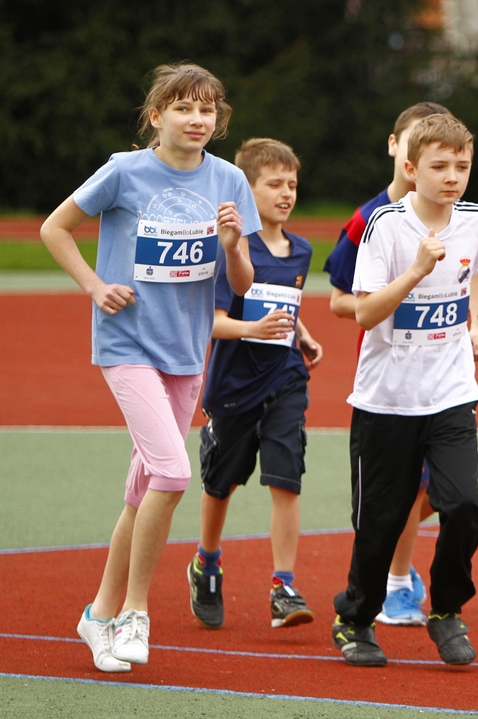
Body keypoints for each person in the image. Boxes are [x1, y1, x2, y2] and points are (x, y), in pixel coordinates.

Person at [40, 63, 260, 671]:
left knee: (143, 493)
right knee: (172, 473)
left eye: (207, 109)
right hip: (127, 345)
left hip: (187, 353)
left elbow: (241, 284)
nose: (197, 119)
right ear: (156, 116)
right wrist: (94, 285)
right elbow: (55, 228)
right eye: (184, 107)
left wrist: (233, 245)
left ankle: (97, 615)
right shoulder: (124, 171)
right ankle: (136, 610)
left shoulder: (229, 180)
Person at [331, 113, 478, 667]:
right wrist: (418, 270)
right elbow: (365, 313)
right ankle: (355, 618)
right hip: (386, 400)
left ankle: (446, 610)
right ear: (410, 167)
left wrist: (476, 319)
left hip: (451, 392)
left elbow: (477, 265)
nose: (452, 177)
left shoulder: (475, 219)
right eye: (439, 166)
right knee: (380, 520)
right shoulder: (386, 226)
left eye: (462, 166)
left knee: (463, 503)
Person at [187, 138, 323, 631]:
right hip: (233, 386)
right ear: (246, 190)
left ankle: (283, 585)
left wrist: (301, 334)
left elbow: (283, 302)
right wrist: (253, 329)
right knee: (220, 483)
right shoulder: (232, 250)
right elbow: (212, 321)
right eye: (274, 184)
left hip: (285, 377)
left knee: (286, 478)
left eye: (292, 184)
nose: (286, 193)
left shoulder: (301, 250)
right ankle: (206, 562)